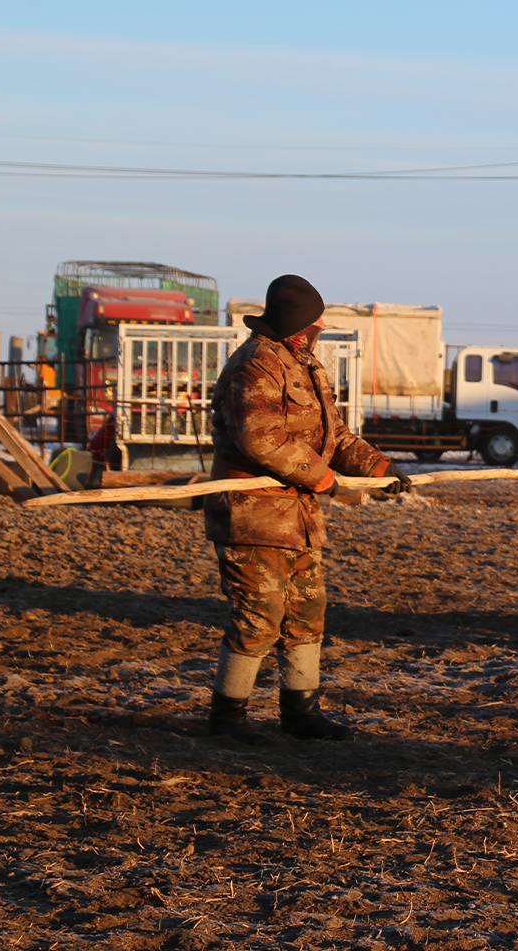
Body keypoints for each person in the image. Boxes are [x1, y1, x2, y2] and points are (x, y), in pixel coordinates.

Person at [204, 275, 413, 744]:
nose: (320, 329)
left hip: (298, 517)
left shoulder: (304, 365)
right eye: (315, 323)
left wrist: (379, 467)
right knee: (258, 616)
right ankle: (228, 719)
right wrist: (323, 480)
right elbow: (262, 438)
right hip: (251, 515)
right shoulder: (254, 366)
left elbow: (334, 437)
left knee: (305, 611)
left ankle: (301, 714)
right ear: (297, 324)